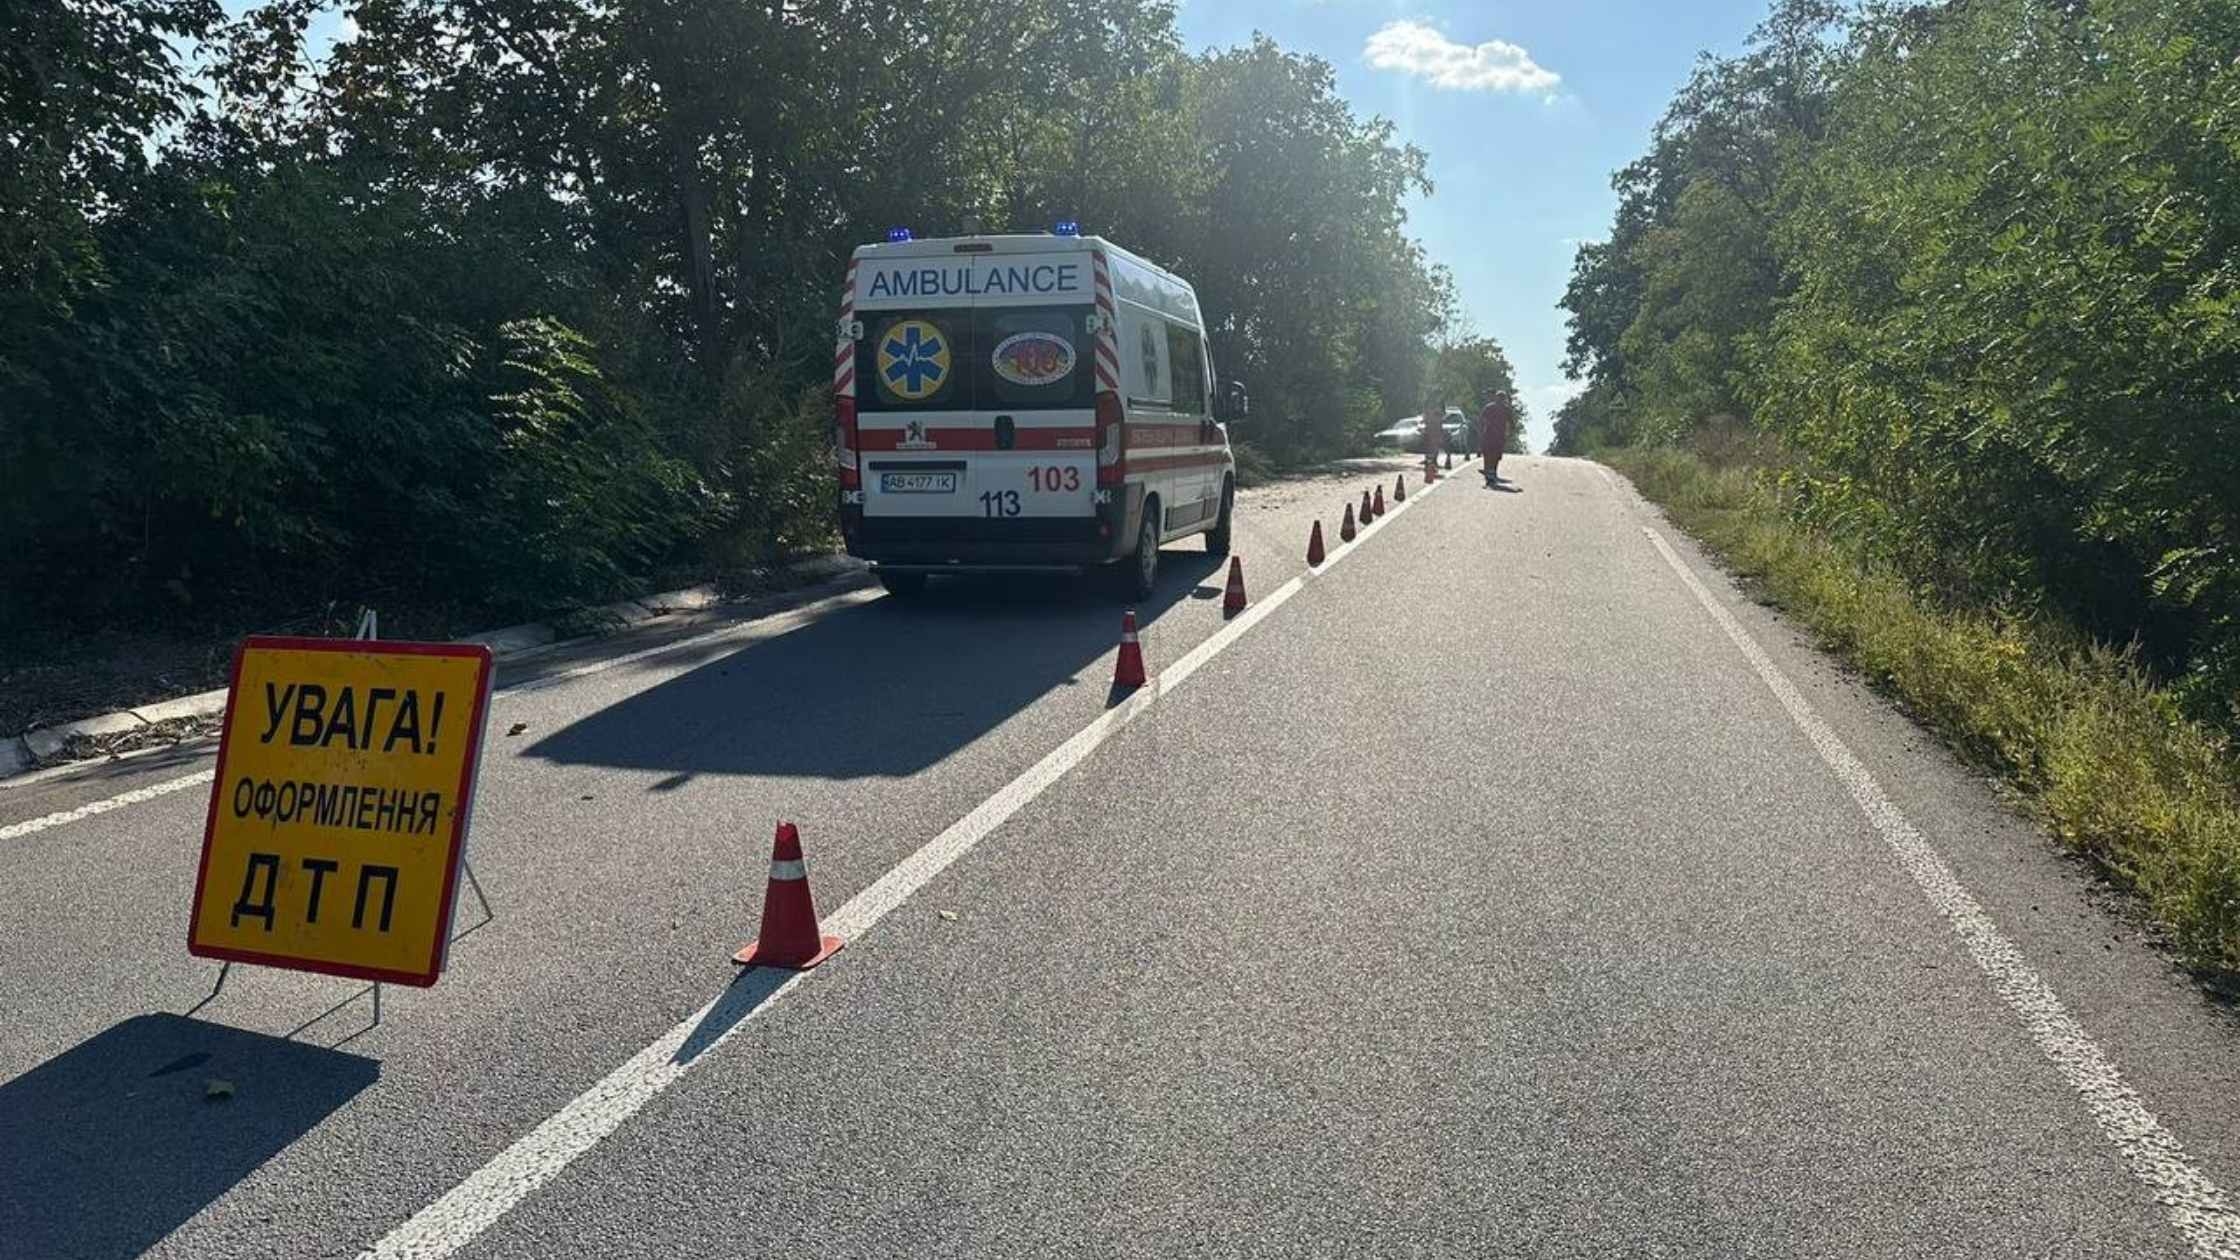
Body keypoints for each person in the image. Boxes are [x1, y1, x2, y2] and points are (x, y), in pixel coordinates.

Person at [1478, 393, 1514, 483]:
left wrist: (1482, 430)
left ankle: (1489, 471)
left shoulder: (1489, 407)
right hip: (1497, 435)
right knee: (1494, 454)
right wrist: (1509, 433)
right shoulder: (1505, 409)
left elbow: (1481, 419)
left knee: (1489, 453)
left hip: (1490, 434)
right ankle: (1492, 471)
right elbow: (1512, 423)